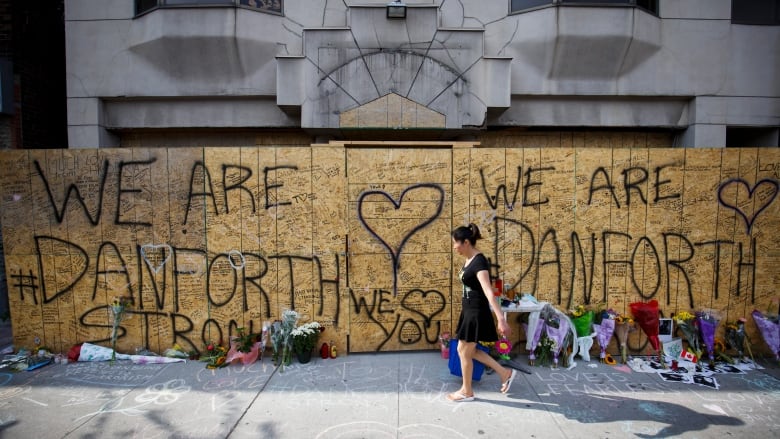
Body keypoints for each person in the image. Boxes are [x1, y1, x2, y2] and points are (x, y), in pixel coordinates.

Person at [448, 223, 516, 402]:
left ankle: (467, 391)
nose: (455, 247)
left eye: (456, 243)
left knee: (463, 351)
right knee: (469, 351)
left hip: (476, 312)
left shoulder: (479, 262)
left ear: (466, 242)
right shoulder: (470, 259)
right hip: (469, 310)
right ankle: (504, 372)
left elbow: (487, 290)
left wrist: (501, 319)